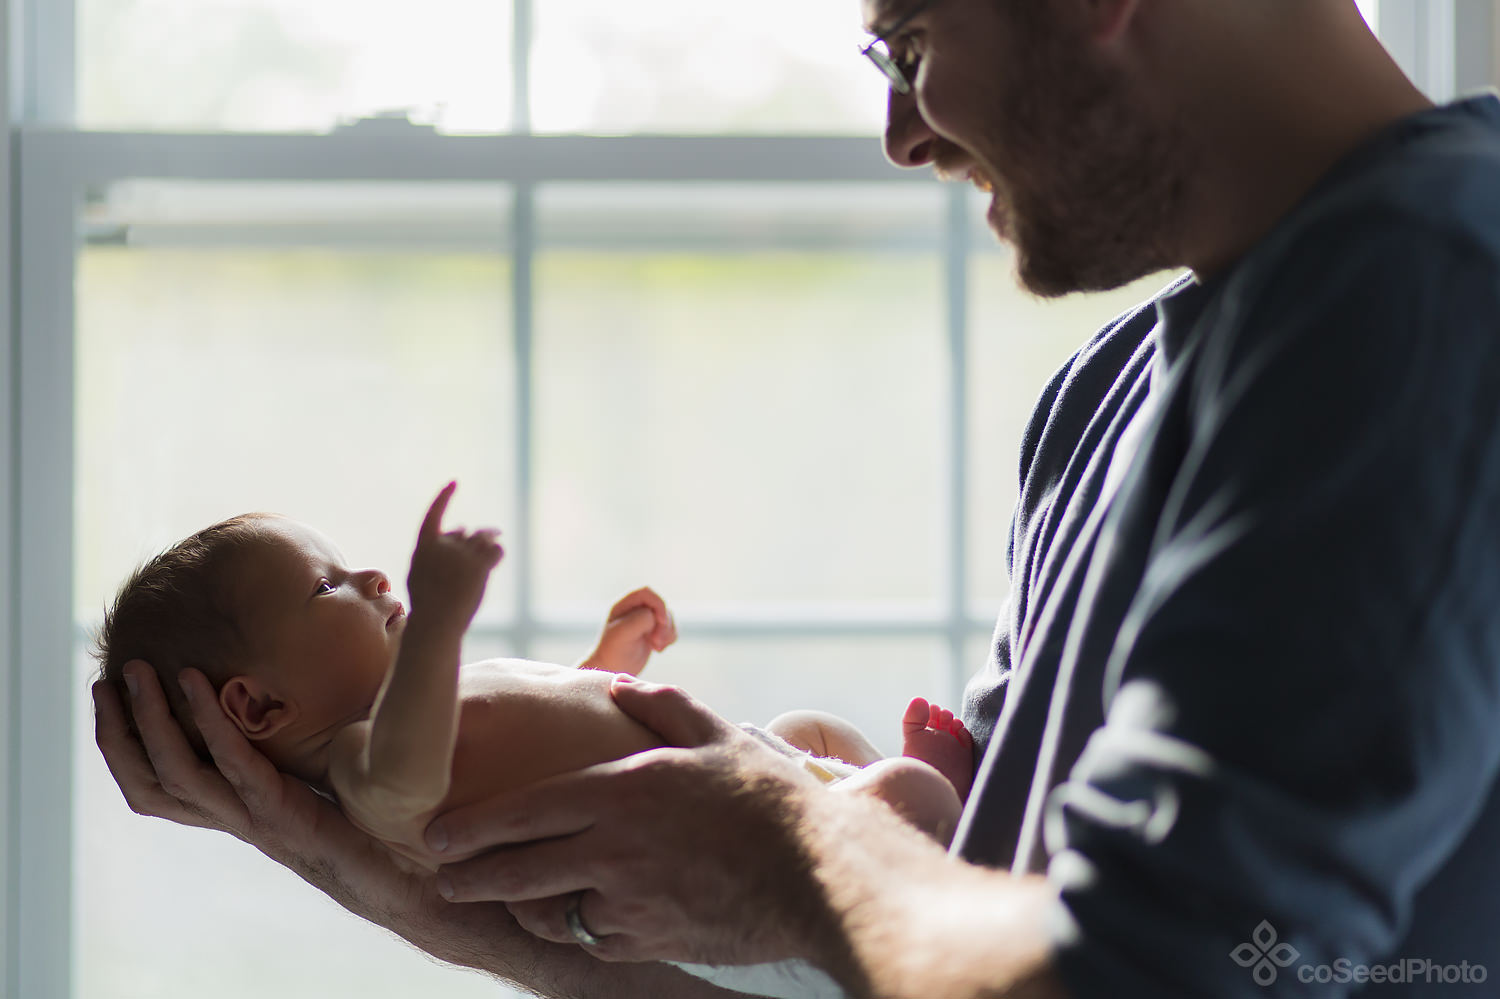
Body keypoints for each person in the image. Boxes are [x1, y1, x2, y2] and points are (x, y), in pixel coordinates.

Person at [94, 0, 1500, 996]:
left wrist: (794, 838)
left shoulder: (1423, 292)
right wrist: (392, 877)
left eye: (911, 40)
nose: (901, 130)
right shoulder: (1105, 393)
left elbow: (1149, 968)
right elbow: (925, 946)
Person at [95, 483, 975, 871]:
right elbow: (411, 779)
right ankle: (944, 811)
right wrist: (441, 616)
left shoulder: (430, 716)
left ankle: (893, 791)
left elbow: (567, 734)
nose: (371, 580)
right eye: (327, 584)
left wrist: (607, 662)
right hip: (753, 863)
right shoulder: (364, 773)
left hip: (762, 789)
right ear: (256, 704)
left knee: (811, 727)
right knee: (909, 799)